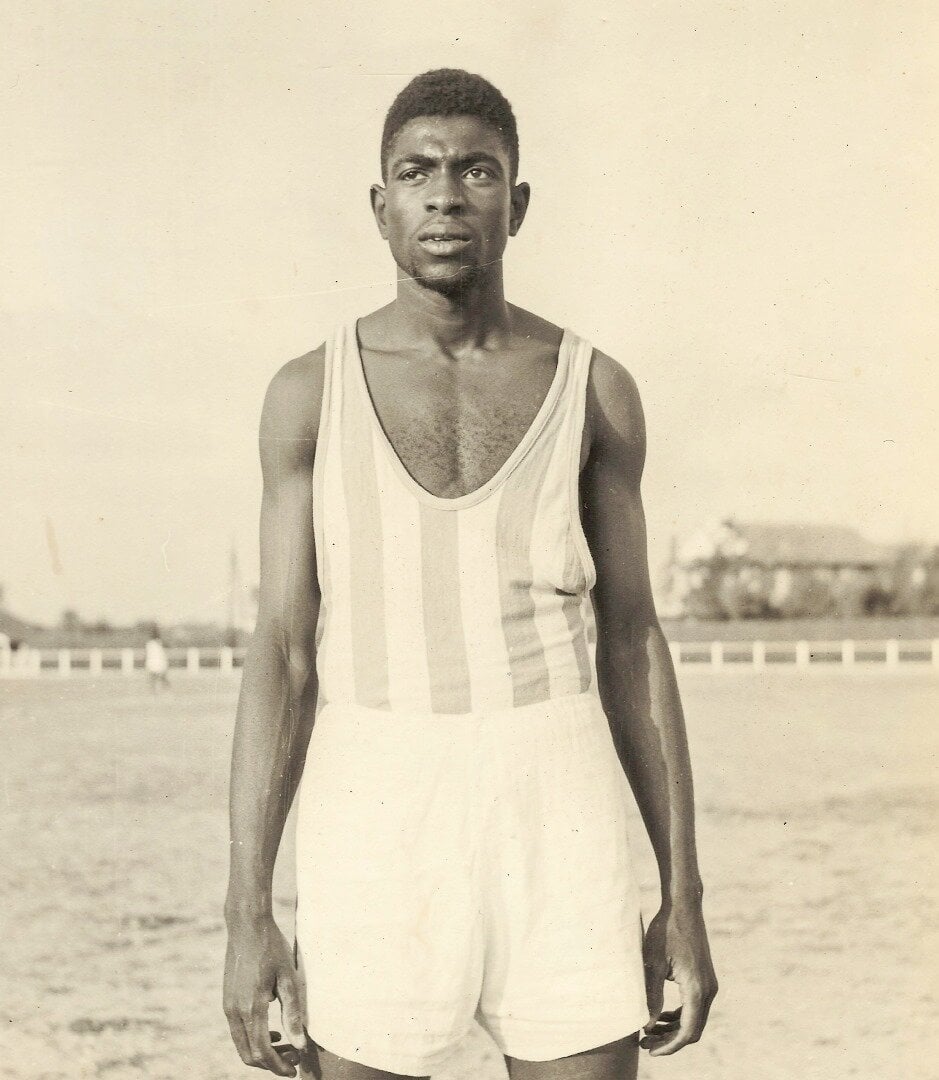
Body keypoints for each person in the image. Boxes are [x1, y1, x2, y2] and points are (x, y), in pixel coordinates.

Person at [224, 69, 717, 1080]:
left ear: (517, 203)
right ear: (380, 206)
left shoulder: (594, 388)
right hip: (375, 800)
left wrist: (683, 896)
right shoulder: (309, 393)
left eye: (475, 172)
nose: (445, 196)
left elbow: (632, 640)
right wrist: (246, 914)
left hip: (556, 800)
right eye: (417, 173)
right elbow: (281, 653)